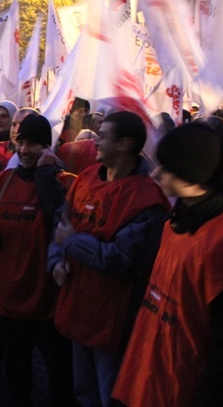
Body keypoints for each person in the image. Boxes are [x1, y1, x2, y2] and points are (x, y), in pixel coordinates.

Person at [113, 123, 223, 406]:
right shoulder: (178, 219)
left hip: (186, 392)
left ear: (191, 173)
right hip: (148, 385)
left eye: (166, 168)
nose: (156, 174)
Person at [47, 111, 169, 407]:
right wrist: (55, 261)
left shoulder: (146, 198)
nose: (96, 141)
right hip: (78, 306)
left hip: (114, 316)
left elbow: (120, 259)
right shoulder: (87, 177)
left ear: (125, 144)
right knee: (84, 391)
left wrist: (72, 243)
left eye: (103, 136)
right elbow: (60, 225)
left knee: (111, 394)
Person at [0, 115, 76, 406]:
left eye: (32, 144)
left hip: (48, 295)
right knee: (16, 366)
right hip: (10, 293)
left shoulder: (64, 183)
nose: (23, 150)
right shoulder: (0, 182)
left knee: (59, 369)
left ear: (47, 148)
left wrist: (45, 176)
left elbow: (59, 219)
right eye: (19, 143)